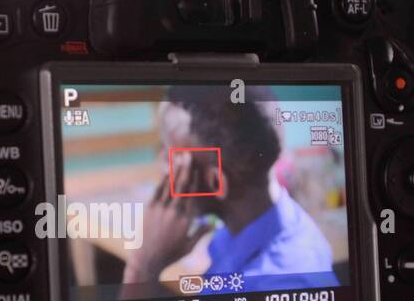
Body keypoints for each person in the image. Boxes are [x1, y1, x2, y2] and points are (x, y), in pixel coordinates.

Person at [123, 87, 337, 290]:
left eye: (170, 154)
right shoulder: (265, 222)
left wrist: (142, 267)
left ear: (216, 182)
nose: (161, 166)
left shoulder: (277, 286)